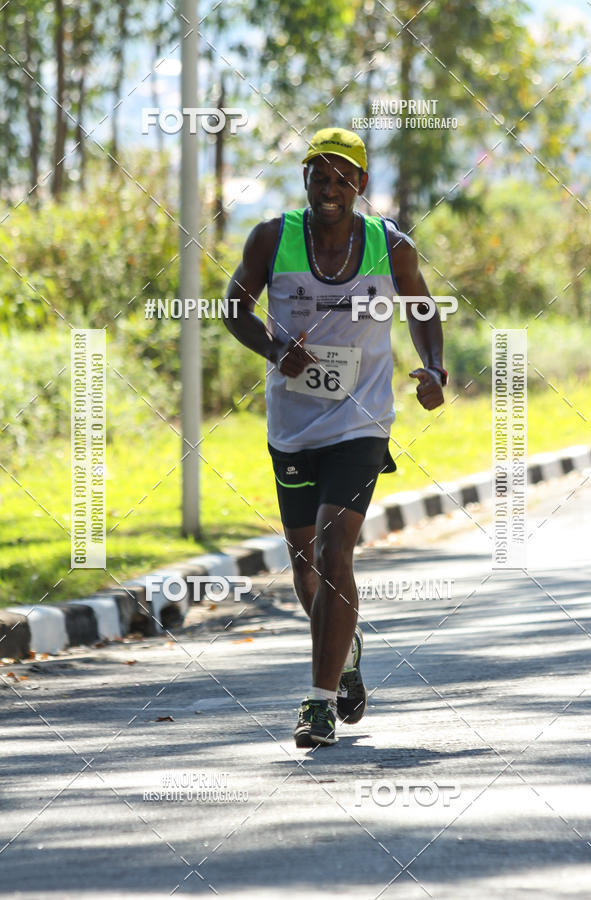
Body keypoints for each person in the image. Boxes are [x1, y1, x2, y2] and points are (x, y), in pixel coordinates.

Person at [224, 127, 446, 748]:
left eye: (342, 178)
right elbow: (233, 304)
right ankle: (345, 655)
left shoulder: (388, 244)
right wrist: (272, 348)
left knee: (331, 549)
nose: (330, 189)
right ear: (305, 181)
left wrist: (434, 369)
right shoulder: (272, 238)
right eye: (319, 177)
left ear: (361, 185)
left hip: (361, 421)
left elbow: (422, 308)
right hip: (293, 426)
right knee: (305, 566)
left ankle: (317, 703)